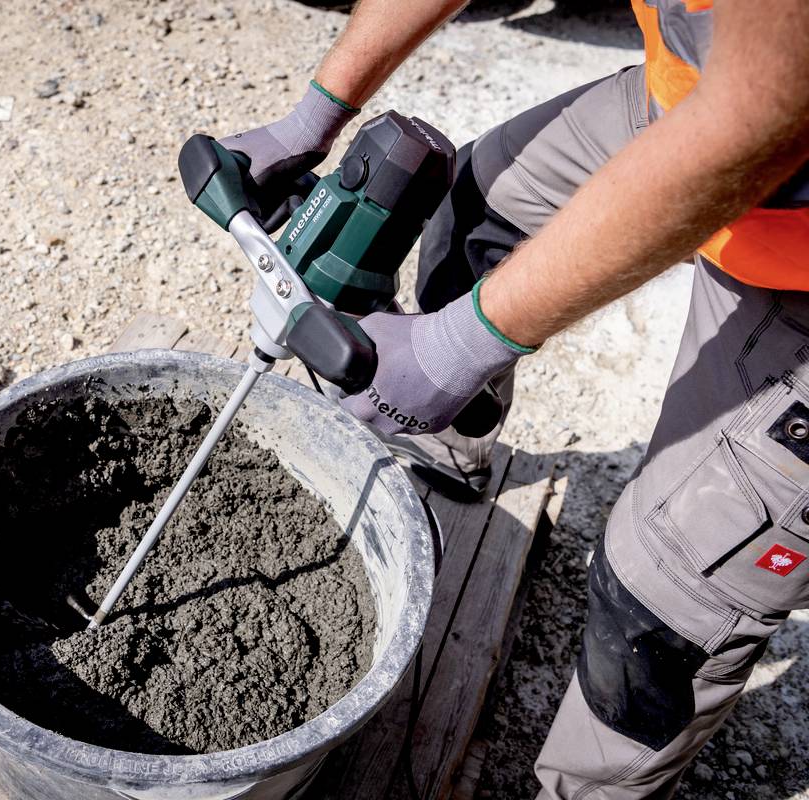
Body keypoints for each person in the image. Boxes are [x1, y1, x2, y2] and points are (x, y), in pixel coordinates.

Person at [224, 0, 809, 797]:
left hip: (772, 152)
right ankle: (442, 440)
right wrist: (312, 116)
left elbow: (765, 107)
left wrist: (461, 344)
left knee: (665, 608)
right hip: (697, 94)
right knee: (482, 210)